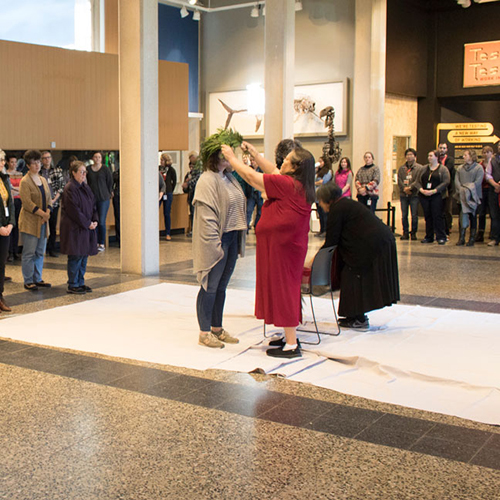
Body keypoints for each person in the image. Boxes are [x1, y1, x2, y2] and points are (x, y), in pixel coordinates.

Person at [222, 140, 315, 359]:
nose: (282, 162)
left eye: (287, 161)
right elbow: (271, 170)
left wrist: (232, 158)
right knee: (283, 290)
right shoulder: (297, 183)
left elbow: (253, 177)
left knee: (285, 291)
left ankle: (292, 345)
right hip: (284, 247)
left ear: (294, 168)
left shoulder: (288, 185)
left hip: (284, 248)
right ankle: (288, 337)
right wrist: (254, 153)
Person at [316, 182, 399, 329]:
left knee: (354, 275)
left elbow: (331, 241)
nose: (320, 205)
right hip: (379, 240)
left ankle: (359, 318)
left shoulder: (337, 209)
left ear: (327, 199)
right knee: (350, 275)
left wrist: (314, 261)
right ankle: (353, 315)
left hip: (374, 243)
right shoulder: (344, 204)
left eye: (320, 201)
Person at [192, 131, 247, 349]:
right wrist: (215, 246)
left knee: (221, 286)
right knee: (210, 285)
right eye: (227, 154)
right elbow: (207, 218)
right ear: (217, 157)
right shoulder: (207, 180)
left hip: (232, 237)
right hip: (218, 240)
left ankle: (217, 328)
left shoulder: (229, 178)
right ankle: (204, 332)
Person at [60, 161, 98, 294]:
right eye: (81, 172)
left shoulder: (85, 187)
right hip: (74, 228)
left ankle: (80, 281)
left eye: (85, 172)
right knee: (76, 256)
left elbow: (93, 204)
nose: (84, 174)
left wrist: (94, 220)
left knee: (83, 255)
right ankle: (73, 284)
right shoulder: (70, 188)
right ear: (74, 173)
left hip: (86, 227)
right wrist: (87, 223)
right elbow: (74, 210)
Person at [18, 149, 53, 291]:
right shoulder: (25, 181)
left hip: (44, 222)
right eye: (34, 163)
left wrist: (48, 212)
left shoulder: (43, 180)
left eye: (38, 162)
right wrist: (43, 214)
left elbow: (49, 198)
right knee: (29, 253)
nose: (37, 165)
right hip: (30, 222)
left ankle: (37, 278)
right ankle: (28, 280)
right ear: (28, 165)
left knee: (40, 252)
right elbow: (27, 203)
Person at [416, 150, 450, 245]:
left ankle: (441, 236)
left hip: (437, 195)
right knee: (428, 216)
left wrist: (434, 190)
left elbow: (446, 182)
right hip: (425, 195)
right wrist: (422, 190)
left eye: (431, 156)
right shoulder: (423, 168)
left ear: (436, 157)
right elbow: (417, 181)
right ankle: (429, 236)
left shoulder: (443, 169)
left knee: (437, 216)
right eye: (428, 156)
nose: (429, 158)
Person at [454, 149, 484, 247]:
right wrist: (461, 190)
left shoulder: (479, 168)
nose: (463, 157)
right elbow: (457, 181)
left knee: (473, 217)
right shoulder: (459, 168)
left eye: (465, 155)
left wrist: (467, 190)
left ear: (471, 156)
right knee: (462, 216)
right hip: (461, 197)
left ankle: (471, 238)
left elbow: (477, 182)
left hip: (473, 197)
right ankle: (461, 237)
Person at [86, 151, 112, 252]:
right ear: (93, 158)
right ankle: (94, 242)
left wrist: (109, 193)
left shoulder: (105, 169)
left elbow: (110, 182)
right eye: (95, 157)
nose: (97, 159)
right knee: (93, 221)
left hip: (103, 199)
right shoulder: (89, 169)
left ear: (101, 159)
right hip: (92, 199)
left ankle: (101, 243)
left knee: (101, 221)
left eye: (99, 157)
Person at [40, 151, 64, 257]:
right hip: (42, 204)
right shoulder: (39, 172)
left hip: (54, 203)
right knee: (42, 227)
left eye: (48, 157)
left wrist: (54, 200)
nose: (47, 160)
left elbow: (61, 187)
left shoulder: (57, 171)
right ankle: (42, 248)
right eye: (44, 158)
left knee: (53, 226)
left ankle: (52, 249)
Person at [0, 150, 15, 312]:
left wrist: (10, 224)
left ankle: (0, 296)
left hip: (6, 228)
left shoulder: (4, 179)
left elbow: (10, 203)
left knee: (1, 264)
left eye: (3, 160)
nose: (3, 163)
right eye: (0, 160)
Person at [397, 148, 423, 240]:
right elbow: (399, 180)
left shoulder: (419, 168)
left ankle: (414, 233)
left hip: (414, 194)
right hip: (403, 195)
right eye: (407, 155)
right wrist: (404, 188)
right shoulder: (401, 168)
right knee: (404, 215)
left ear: (415, 156)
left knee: (414, 215)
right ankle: (405, 232)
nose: (409, 156)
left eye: (411, 154)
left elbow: (418, 180)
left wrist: (410, 188)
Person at [5, 154, 22, 261]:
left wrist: (16, 189)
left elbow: (22, 188)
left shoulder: (20, 174)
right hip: (10, 202)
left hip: (19, 201)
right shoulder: (5, 174)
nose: (14, 164)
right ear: (8, 163)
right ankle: (10, 252)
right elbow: (9, 189)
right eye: (12, 162)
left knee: (17, 227)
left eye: (15, 162)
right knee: (10, 225)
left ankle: (15, 251)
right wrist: (17, 189)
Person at [181, 151, 201, 236]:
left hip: (197, 193)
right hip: (191, 193)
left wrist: (188, 183)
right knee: (192, 213)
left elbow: (197, 179)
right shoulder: (190, 172)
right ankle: (193, 230)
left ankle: (196, 231)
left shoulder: (200, 168)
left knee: (196, 213)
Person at [438, 143, 456, 235]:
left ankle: (448, 227)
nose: (442, 150)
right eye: (440, 148)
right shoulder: (436, 159)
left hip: (448, 188)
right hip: (437, 188)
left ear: (447, 149)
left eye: (444, 148)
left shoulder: (450, 160)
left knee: (447, 209)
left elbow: (446, 169)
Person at [485, 143, 500, 246]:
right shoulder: (493, 159)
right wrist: (495, 185)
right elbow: (487, 174)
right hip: (494, 190)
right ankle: (495, 238)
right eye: (499, 145)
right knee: (494, 215)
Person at [159, 153, 177, 241]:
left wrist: (170, 190)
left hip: (168, 193)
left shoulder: (171, 170)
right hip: (159, 193)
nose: (161, 162)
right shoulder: (158, 169)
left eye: (162, 160)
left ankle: (168, 233)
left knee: (167, 213)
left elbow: (174, 181)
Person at [477, 146, 493, 243]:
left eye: (488, 152)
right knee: (482, 212)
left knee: (492, 212)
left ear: (491, 153)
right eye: (484, 152)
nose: (485, 154)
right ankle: (480, 233)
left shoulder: (494, 163)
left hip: (491, 189)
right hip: (482, 190)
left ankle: (493, 232)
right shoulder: (480, 165)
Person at [314, 156, 333, 236]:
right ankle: (321, 229)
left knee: (324, 213)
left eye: (321, 161)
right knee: (320, 214)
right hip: (317, 196)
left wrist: (314, 183)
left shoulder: (328, 171)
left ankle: (326, 230)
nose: (320, 163)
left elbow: (322, 181)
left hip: (323, 194)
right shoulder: (318, 171)